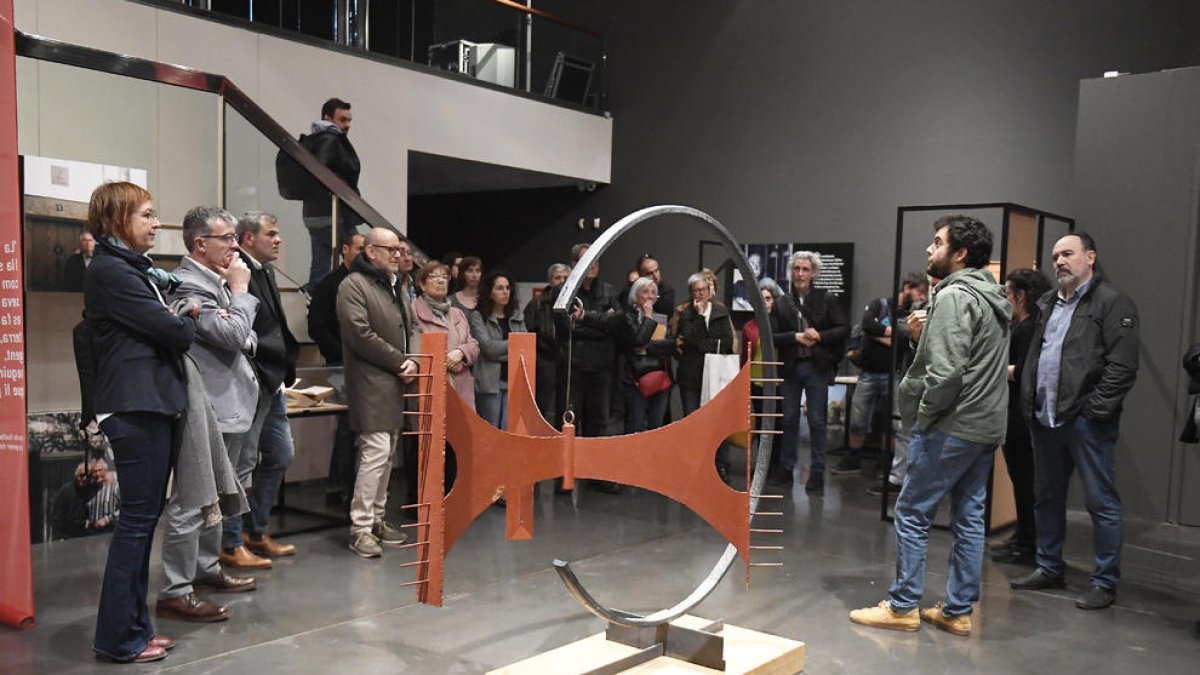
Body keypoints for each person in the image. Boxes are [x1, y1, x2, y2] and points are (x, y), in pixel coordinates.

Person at [850, 214, 1010, 637]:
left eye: (937, 242)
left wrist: (925, 414)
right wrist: (922, 337)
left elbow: (947, 372)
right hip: (984, 426)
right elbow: (969, 359)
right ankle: (957, 611)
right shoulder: (991, 294)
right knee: (969, 516)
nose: (929, 248)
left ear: (960, 253)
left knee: (911, 511)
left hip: (951, 424)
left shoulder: (954, 296)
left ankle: (903, 605)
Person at [85, 182, 195, 663]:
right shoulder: (113, 271)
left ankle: (135, 628)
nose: (155, 223)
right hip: (135, 406)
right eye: (146, 215)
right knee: (135, 525)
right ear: (118, 219)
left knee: (143, 522)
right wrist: (185, 316)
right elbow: (173, 330)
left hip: (147, 404)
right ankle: (118, 639)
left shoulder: (130, 268)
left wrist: (175, 317)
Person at [1011, 232, 1140, 611]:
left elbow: (1122, 367)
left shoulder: (1113, 303)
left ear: (1090, 257)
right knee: (1046, 497)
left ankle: (1104, 582)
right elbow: (1040, 356)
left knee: (1101, 503)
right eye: (1055, 257)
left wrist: (1093, 411)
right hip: (1045, 417)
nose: (1059, 262)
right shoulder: (1048, 302)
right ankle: (1049, 566)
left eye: (1068, 254)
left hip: (1086, 422)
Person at [158, 206, 262, 622]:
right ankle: (175, 590)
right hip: (206, 408)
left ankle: (205, 568)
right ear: (200, 243)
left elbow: (246, 337)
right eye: (227, 238)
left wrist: (236, 322)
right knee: (193, 498)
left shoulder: (214, 282)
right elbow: (235, 333)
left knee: (219, 495)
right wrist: (240, 293)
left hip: (230, 405)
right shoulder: (187, 284)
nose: (235, 246)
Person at [337, 227, 419, 559]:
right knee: (375, 453)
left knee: (388, 455)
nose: (398, 256)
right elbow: (359, 333)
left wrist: (413, 359)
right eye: (391, 250)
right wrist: (400, 361)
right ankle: (360, 529)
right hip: (370, 381)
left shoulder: (396, 285)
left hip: (397, 379)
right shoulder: (353, 285)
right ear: (371, 252)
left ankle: (377, 520)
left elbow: (412, 326)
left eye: (400, 250)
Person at [224, 211, 300, 564]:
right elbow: (241, 329)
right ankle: (230, 542)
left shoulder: (265, 271)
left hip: (273, 383)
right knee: (242, 462)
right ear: (249, 238)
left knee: (280, 454)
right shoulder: (236, 271)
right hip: (251, 381)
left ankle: (255, 530)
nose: (278, 239)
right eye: (271, 233)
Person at [835, 274, 928, 478]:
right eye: (919, 292)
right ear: (907, 288)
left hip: (895, 375)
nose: (922, 297)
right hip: (869, 373)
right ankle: (852, 459)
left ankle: (886, 462)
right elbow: (868, 325)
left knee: (893, 423)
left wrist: (880, 334)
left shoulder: (914, 314)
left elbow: (907, 341)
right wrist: (896, 333)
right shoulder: (881, 304)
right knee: (858, 419)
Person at [773, 251, 848, 493]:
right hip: (791, 368)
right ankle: (786, 468)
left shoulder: (827, 298)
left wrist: (820, 335)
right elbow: (772, 335)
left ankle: (817, 471)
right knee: (788, 419)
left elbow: (843, 328)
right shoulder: (782, 302)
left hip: (817, 366)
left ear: (813, 273)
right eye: (796, 269)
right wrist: (796, 336)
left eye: (805, 269)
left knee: (817, 421)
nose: (800, 274)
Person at [990, 268, 1051, 566]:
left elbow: (1026, 370)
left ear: (1021, 296)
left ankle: (1027, 542)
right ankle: (1023, 536)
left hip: (1019, 414)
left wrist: (992, 369)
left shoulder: (1028, 329)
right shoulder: (1028, 327)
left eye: (1007, 293)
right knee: (1021, 477)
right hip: (1015, 411)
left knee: (1024, 478)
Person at [308, 231, 366, 504]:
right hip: (341, 364)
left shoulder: (370, 283)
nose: (364, 254)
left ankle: (351, 486)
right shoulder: (329, 284)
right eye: (359, 248)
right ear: (345, 249)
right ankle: (340, 486)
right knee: (347, 425)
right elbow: (317, 326)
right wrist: (342, 353)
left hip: (367, 364)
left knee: (360, 427)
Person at [677, 272, 737, 484]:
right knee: (693, 421)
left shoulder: (721, 311)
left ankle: (720, 464)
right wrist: (701, 318)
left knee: (718, 422)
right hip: (691, 376)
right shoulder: (686, 314)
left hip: (716, 375)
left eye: (704, 289)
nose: (701, 294)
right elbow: (690, 338)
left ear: (710, 290)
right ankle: (695, 466)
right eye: (696, 291)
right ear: (691, 293)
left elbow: (727, 342)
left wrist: (702, 344)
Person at [302, 97, 362, 289]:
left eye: (349, 120)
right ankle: (353, 294)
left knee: (320, 263)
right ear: (327, 118)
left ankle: (315, 295)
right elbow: (324, 172)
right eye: (342, 119)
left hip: (314, 214)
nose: (347, 124)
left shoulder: (315, 139)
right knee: (360, 256)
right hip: (333, 214)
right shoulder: (330, 139)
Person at [413, 262, 480, 410]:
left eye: (444, 277)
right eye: (434, 276)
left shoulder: (457, 313)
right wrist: (448, 361)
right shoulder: (413, 312)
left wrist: (461, 353)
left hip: (461, 389)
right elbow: (414, 349)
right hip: (431, 388)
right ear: (422, 285)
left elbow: (473, 345)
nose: (440, 281)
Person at [470, 270, 526, 429]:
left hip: (513, 380)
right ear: (489, 292)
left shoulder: (516, 315)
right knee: (491, 429)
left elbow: (525, 346)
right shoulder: (478, 316)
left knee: (509, 429)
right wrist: (513, 344)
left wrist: (499, 353)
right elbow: (488, 348)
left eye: (507, 288)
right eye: (499, 288)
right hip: (489, 382)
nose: (505, 292)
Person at [621, 276, 675, 435]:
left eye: (653, 292)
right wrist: (648, 317)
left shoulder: (662, 318)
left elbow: (671, 345)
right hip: (635, 379)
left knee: (656, 427)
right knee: (636, 425)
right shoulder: (627, 317)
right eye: (645, 292)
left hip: (659, 376)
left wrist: (648, 347)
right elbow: (637, 343)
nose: (650, 296)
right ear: (635, 295)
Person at [523, 263, 570, 424]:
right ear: (550, 281)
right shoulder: (536, 304)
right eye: (558, 278)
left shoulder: (576, 303)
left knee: (565, 406)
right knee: (541, 404)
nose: (562, 281)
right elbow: (529, 332)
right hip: (545, 359)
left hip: (569, 360)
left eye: (565, 278)